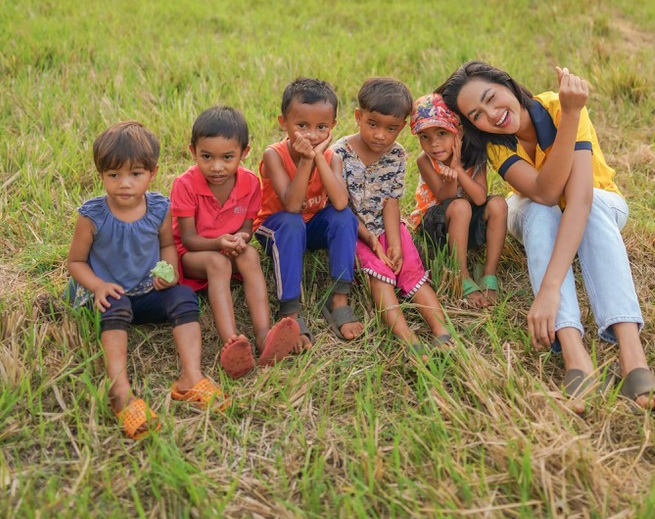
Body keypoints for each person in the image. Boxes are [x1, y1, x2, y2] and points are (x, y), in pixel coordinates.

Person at [438, 62, 655, 418]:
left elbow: (578, 199)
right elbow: (547, 192)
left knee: (591, 205)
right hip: (538, 208)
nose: (492, 115)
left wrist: (570, 114)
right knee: (537, 210)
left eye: (491, 98)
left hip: (598, 203)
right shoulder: (496, 143)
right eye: (477, 115)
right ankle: (574, 355)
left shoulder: (559, 105)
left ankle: (634, 362)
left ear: (506, 82)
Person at [67, 121, 229, 440]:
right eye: (114, 175)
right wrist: (98, 286)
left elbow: (168, 245)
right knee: (117, 303)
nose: (124, 184)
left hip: (147, 291)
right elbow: (75, 262)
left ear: (152, 173)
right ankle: (120, 392)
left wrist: (168, 271)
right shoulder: (92, 216)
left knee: (184, 296)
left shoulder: (158, 208)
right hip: (108, 297)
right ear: (101, 174)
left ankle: (190, 377)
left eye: (135, 174)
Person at [171, 106, 298, 379]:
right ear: (193, 151)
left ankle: (264, 335)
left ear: (244, 152)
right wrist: (218, 243)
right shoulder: (185, 185)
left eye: (227, 157)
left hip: (228, 247)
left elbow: (246, 229)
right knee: (218, 262)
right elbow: (189, 240)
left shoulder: (250, 183)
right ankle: (232, 341)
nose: (217, 167)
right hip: (196, 255)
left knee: (250, 255)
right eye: (206, 157)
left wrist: (242, 237)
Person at [332, 77, 454, 353]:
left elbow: (390, 201)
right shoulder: (338, 153)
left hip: (388, 226)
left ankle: (441, 331)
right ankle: (408, 338)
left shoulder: (396, 155)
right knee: (381, 274)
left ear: (402, 129)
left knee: (411, 269)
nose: (380, 135)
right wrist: (374, 242)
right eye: (373, 124)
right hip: (356, 231)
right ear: (358, 116)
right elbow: (342, 209)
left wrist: (396, 242)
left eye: (391, 129)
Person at [254, 78, 361, 349]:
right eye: (302, 126)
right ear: (283, 122)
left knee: (344, 217)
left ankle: (338, 301)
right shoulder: (274, 155)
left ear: (333, 128)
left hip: (309, 226)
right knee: (291, 221)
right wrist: (306, 161)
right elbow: (291, 205)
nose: (312, 135)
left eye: (321, 127)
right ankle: (289, 315)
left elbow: (339, 202)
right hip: (275, 228)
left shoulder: (332, 158)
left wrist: (320, 156)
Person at [409, 92, 508, 308]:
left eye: (442, 133)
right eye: (424, 137)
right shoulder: (425, 161)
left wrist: (458, 170)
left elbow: (480, 197)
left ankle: (489, 273)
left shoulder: (476, 154)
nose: (434, 144)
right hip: (435, 228)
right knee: (460, 206)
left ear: (459, 131)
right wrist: (450, 178)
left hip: (467, 220)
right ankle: (461, 275)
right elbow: (445, 198)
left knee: (498, 203)